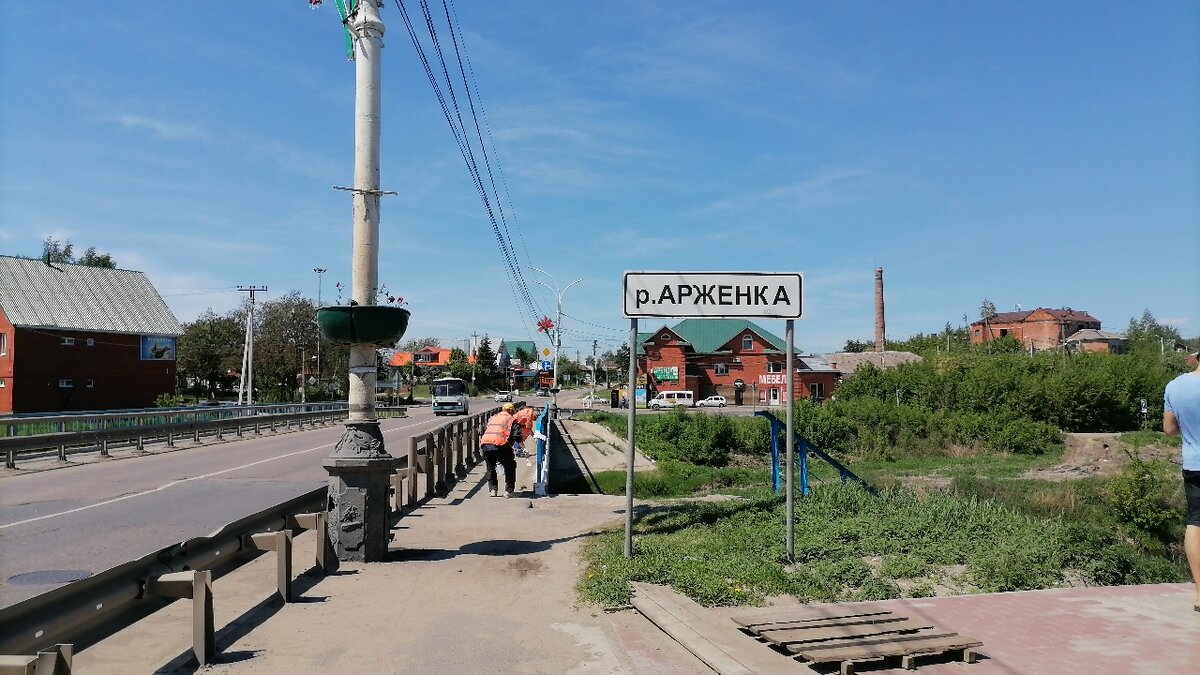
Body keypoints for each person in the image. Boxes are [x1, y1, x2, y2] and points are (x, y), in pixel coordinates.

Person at [1164, 351, 1200, 611]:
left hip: (1194, 464)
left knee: (1195, 524)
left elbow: (1169, 429)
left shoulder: (1174, 386)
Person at [480, 402, 520, 498]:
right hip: (500, 444)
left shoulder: (493, 417)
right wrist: (517, 445)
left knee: (490, 467)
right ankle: (509, 491)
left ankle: (493, 490)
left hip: (486, 443)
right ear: (511, 410)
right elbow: (516, 435)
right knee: (510, 466)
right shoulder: (511, 419)